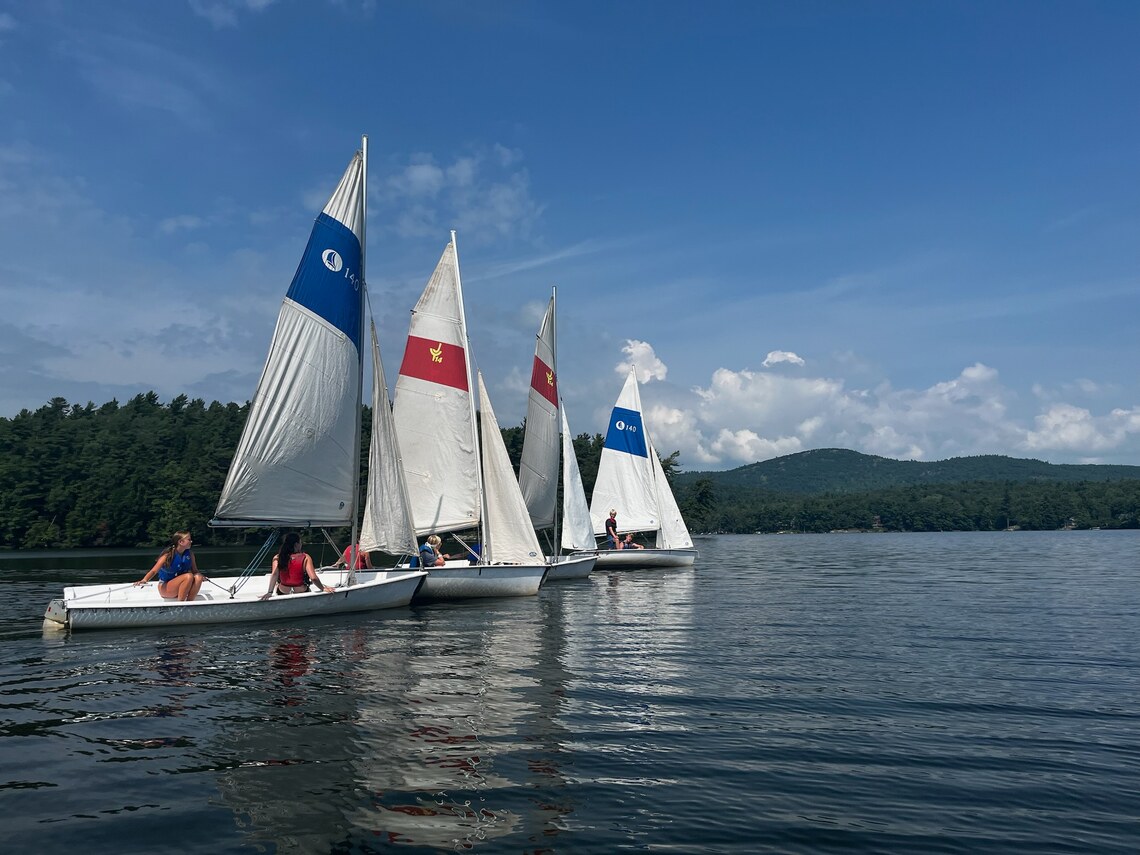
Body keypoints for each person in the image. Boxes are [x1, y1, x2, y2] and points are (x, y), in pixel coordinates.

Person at [260, 532, 335, 599]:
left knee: (278, 584)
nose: (301, 544)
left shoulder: (277, 557)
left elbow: (274, 575)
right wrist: (322, 588)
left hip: (283, 590)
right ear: (296, 544)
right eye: (300, 542)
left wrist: (270, 592)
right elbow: (313, 578)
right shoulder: (306, 557)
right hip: (300, 590)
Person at [136, 531, 206, 601]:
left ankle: (190, 603)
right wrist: (144, 580)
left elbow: (195, 570)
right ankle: (181, 605)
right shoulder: (168, 556)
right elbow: (154, 571)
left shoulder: (190, 554)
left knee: (198, 577)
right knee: (188, 576)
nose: (191, 541)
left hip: (181, 584)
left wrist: (202, 576)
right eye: (189, 540)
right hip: (165, 587)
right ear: (181, 542)